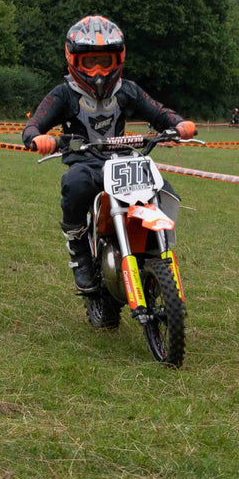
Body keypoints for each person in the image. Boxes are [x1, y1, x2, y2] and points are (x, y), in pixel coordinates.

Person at [21, 15, 195, 292]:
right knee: (74, 183)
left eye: (106, 61)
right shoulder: (63, 94)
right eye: (90, 62)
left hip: (124, 161)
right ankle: (78, 250)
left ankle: (155, 248)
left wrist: (178, 124)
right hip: (85, 161)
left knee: (162, 187)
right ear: (74, 59)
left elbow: (158, 112)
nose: (98, 70)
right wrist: (38, 138)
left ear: (119, 58)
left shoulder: (127, 90)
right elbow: (33, 125)